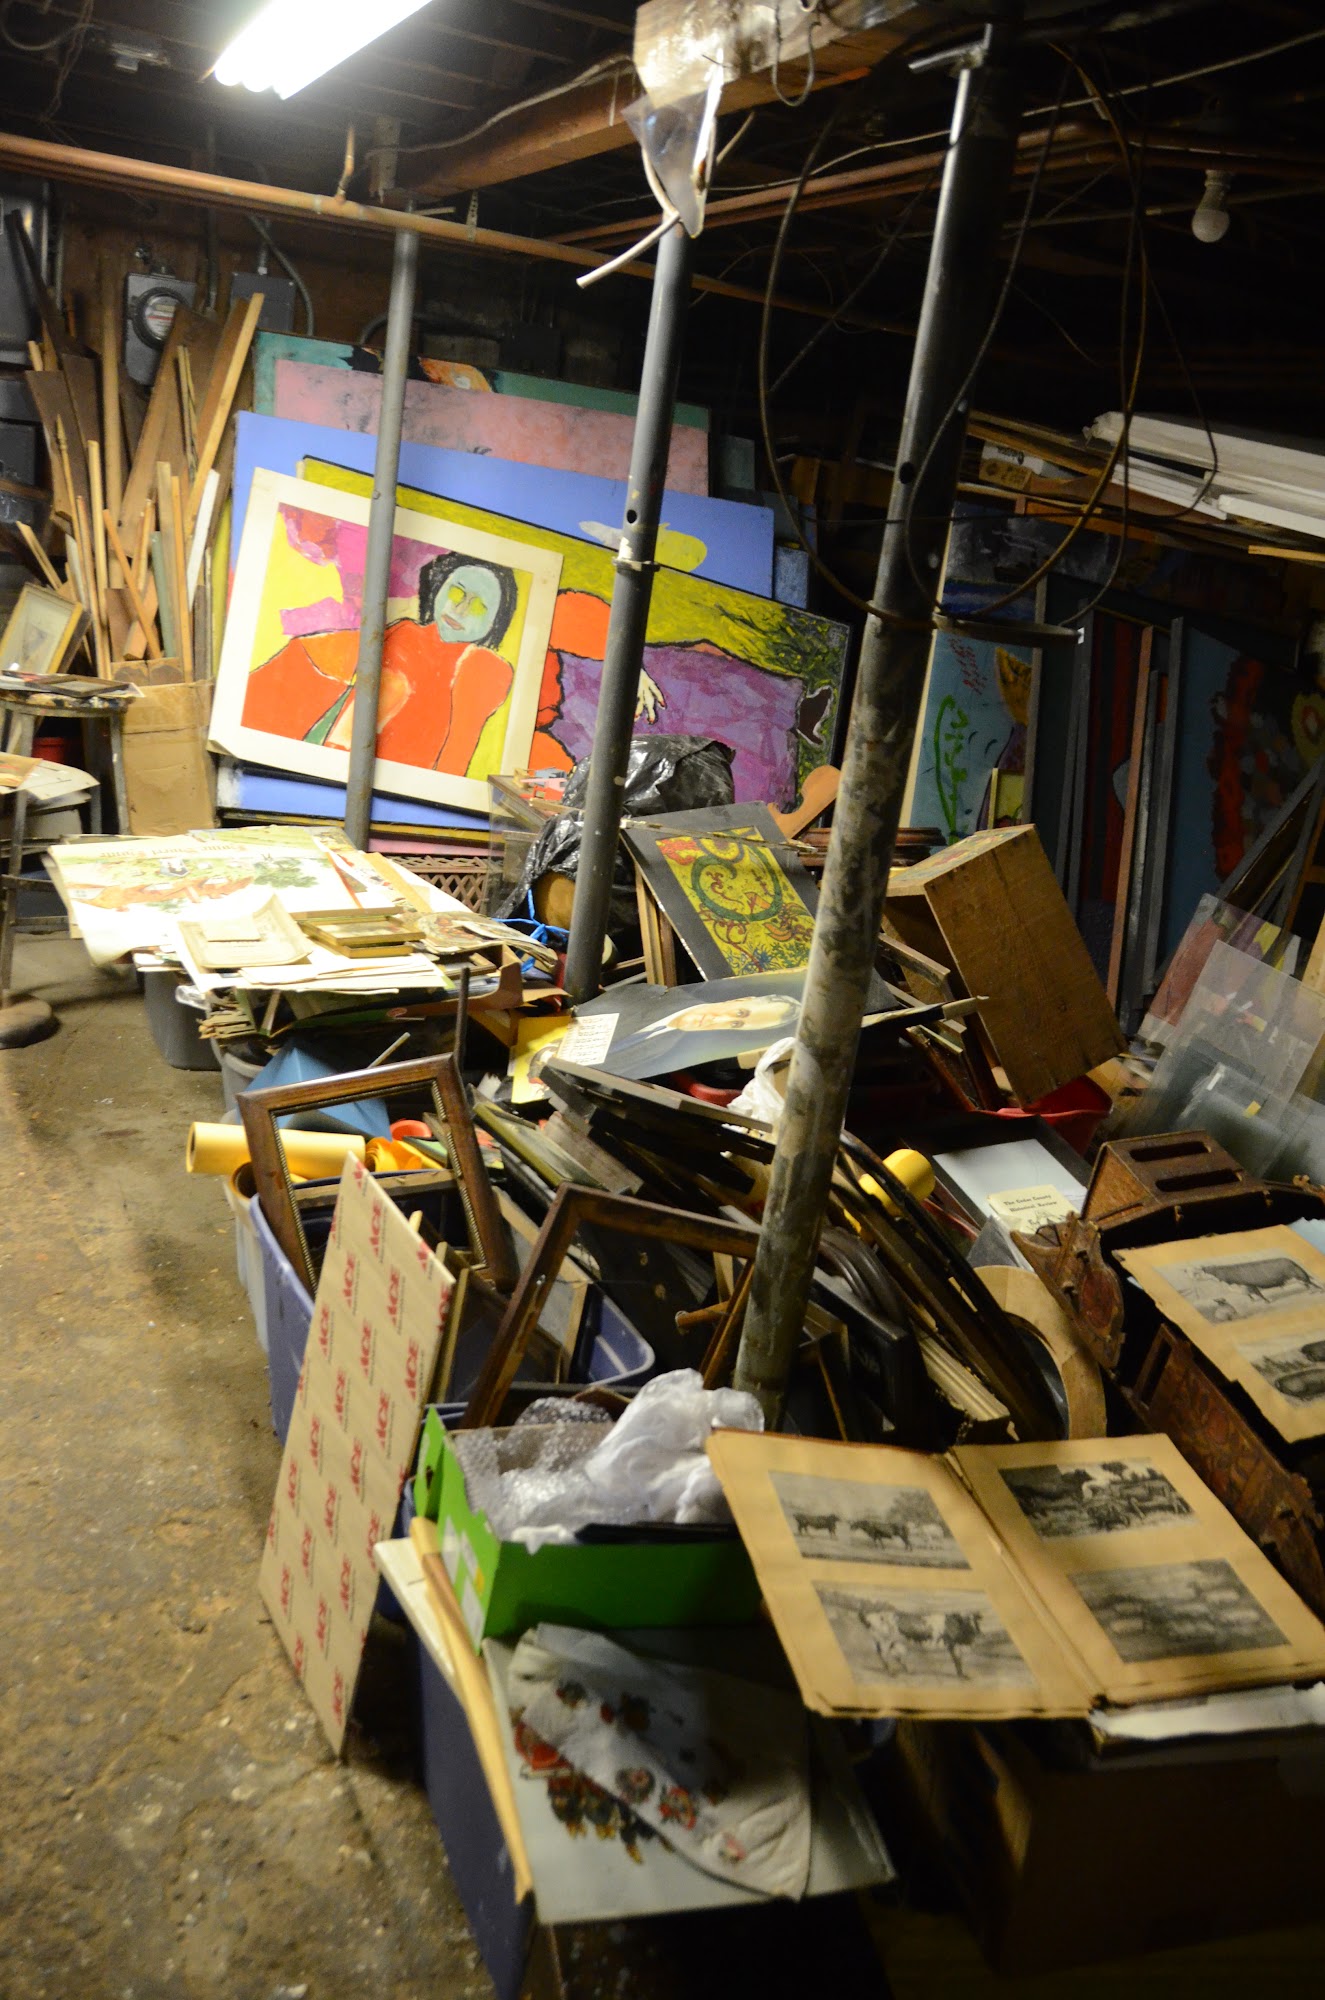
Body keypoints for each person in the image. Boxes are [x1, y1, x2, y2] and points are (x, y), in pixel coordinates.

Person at [242, 542, 519, 776]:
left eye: (479, 606)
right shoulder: (404, 637)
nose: (460, 608)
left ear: (494, 623)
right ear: (439, 588)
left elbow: (456, 759)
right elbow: (343, 736)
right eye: (457, 592)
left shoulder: (487, 670)